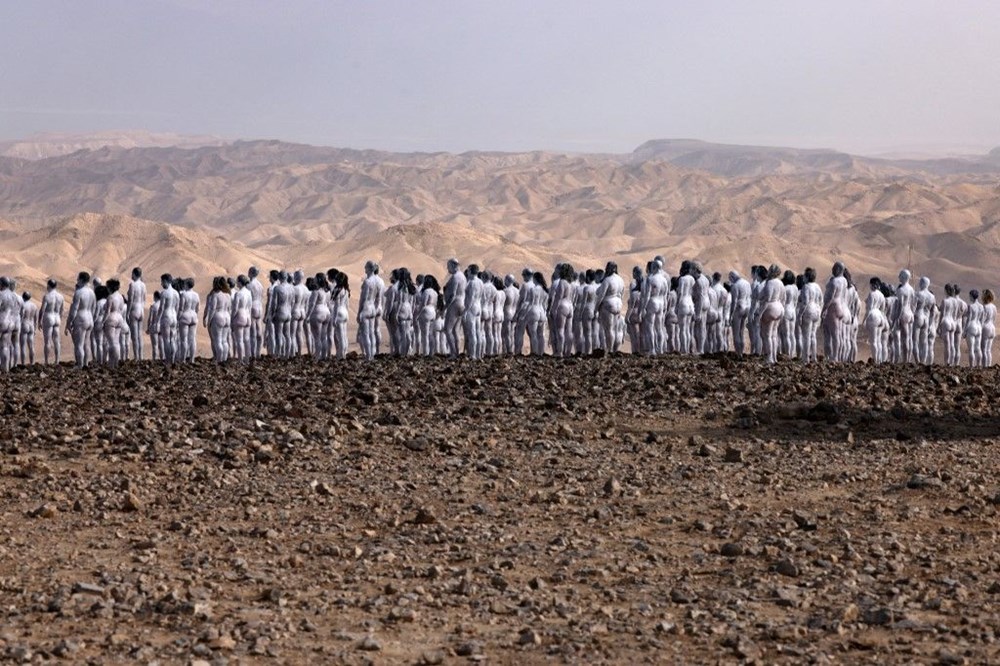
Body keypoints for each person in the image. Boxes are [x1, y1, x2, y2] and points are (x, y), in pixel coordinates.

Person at [65, 272, 97, 368]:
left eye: (78, 279)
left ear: (82, 280)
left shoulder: (79, 292)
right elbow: (94, 308)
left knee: (79, 344)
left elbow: (74, 310)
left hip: (81, 319)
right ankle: (86, 364)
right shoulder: (92, 293)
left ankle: (80, 364)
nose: (77, 281)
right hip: (90, 319)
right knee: (86, 343)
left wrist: (69, 322)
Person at [595, 261, 625, 353]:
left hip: (609, 304)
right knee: (615, 329)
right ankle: (613, 349)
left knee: (609, 329)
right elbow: (622, 294)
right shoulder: (621, 280)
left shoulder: (607, 280)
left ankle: (610, 349)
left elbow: (601, 296)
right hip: (618, 304)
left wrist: (596, 308)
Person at [641, 260, 669, 355]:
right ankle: (660, 349)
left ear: (654, 267)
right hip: (661, 303)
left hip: (653, 302)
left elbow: (647, 295)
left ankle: (652, 349)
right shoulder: (664, 280)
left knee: (650, 327)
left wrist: (644, 307)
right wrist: (665, 306)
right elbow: (665, 295)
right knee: (659, 327)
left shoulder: (651, 279)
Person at [758, 264, 785, 364]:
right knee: (774, 334)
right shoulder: (780, 283)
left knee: (767, 335)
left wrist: (760, 313)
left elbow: (767, 299)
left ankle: (769, 357)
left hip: (770, 308)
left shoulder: (769, 283)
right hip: (779, 308)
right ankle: (774, 356)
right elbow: (783, 298)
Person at [357, 261, 383, 360]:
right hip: (373, 308)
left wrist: (359, 312)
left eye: (366, 267)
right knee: (372, 333)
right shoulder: (378, 282)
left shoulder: (368, 282)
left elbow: (363, 299)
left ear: (369, 268)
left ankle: (368, 356)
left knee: (366, 334)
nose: (364, 269)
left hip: (367, 308)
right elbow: (378, 298)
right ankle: (372, 354)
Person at [204, 276, 233, 363]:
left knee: (218, 340)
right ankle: (224, 359)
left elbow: (212, 309)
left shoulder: (215, 295)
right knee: (224, 341)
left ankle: (219, 360)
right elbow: (229, 308)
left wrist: (209, 321)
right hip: (227, 317)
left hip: (218, 317)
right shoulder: (228, 295)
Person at [443, 258, 467, 359]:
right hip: (462, 303)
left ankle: (453, 352)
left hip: (455, 304)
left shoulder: (455, 277)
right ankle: (456, 351)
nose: (447, 269)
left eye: (448, 266)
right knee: (456, 330)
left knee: (447, 329)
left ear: (453, 266)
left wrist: (445, 306)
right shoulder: (463, 277)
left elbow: (452, 294)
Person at [798, 267, 823, 363]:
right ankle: (814, 356)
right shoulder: (817, 286)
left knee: (806, 336)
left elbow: (805, 303)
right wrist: (819, 309)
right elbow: (821, 299)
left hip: (808, 311)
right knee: (813, 335)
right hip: (816, 311)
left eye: (804, 275)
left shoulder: (806, 287)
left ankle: (805, 358)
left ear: (807, 277)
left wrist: (800, 315)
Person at [891, 269, 916, 364]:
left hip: (904, 314)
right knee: (909, 338)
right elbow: (914, 303)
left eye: (900, 275)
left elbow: (900, 305)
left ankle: (905, 360)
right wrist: (912, 313)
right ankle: (908, 359)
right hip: (910, 314)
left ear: (905, 277)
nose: (899, 277)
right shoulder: (912, 289)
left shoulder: (901, 290)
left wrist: (897, 317)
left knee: (904, 339)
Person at [864, 277, 890, 364]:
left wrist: (865, 320)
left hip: (873, 316)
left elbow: (869, 309)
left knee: (874, 341)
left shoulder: (872, 294)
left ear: (872, 284)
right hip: (881, 317)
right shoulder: (882, 295)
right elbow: (882, 309)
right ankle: (879, 360)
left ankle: (876, 360)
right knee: (879, 341)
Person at [39, 279, 64, 365]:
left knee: (47, 341)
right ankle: (57, 360)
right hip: (57, 318)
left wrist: (39, 321)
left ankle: (46, 361)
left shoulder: (47, 296)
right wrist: (60, 318)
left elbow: (42, 309)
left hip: (49, 317)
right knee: (57, 340)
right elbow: (62, 310)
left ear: (48, 285)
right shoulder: (61, 297)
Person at [463, 264, 485, 359]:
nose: (467, 272)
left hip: (472, 308)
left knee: (472, 332)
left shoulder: (472, 282)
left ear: (471, 271)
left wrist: (466, 310)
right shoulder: (480, 282)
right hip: (478, 307)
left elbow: (471, 298)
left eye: (468, 270)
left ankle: (473, 355)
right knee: (478, 332)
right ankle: (478, 354)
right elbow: (482, 297)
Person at [157, 273, 180, 364]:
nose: (161, 284)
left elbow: (161, 308)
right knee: (173, 339)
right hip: (174, 316)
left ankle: (168, 360)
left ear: (166, 281)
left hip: (166, 317)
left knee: (166, 340)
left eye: (162, 282)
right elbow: (177, 307)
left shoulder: (164, 293)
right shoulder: (176, 293)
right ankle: (173, 359)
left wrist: (157, 321)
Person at [913, 276, 936, 365]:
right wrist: (930, 324)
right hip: (927, 318)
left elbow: (913, 308)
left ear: (921, 283)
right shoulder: (932, 297)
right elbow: (933, 312)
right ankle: (923, 361)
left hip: (918, 317)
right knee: (924, 342)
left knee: (915, 341)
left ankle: (918, 361)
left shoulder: (918, 294)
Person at [728, 271, 751, 356]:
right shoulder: (747, 283)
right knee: (741, 333)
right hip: (747, 307)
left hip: (739, 308)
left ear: (732, 277)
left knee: (736, 333)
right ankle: (741, 352)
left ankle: (738, 353)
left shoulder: (735, 285)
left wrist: (730, 315)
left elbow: (734, 302)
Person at [674, 261, 695, 354]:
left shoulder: (682, 279)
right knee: (688, 329)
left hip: (683, 303)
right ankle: (688, 348)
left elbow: (681, 293)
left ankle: (684, 349)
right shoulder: (692, 279)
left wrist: (677, 305)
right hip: (690, 304)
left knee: (683, 329)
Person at [126, 267, 146, 361]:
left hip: (134, 310)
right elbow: (144, 298)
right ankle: (141, 356)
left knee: (134, 336)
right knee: (140, 335)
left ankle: (136, 357)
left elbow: (130, 299)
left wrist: (128, 312)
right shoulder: (143, 285)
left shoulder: (132, 285)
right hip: (141, 310)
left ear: (134, 274)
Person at [232, 275, 253, 362]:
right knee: (247, 339)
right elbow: (250, 306)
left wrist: (232, 319)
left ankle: (240, 359)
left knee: (239, 340)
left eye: (237, 281)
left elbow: (235, 308)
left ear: (240, 282)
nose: (236, 283)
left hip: (240, 316)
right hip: (247, 315)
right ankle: (247, 359)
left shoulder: (238, 294)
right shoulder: (249, 292)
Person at [178, 278, 200, 362]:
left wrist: (178, 318)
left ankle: (183, 359)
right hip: (194, 316)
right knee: (193, 338)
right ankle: (192, 358)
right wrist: (195, 315)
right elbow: (198, 308)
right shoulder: (196, 295)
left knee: (184, 339)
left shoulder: (184, 295)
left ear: (187, 284)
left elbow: (181, 308)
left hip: (185, 316)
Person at [779, 270, 798, 358]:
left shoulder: (784, 288)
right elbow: (795, 301)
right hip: (793, 311)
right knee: (792, 334)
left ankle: (787, 354)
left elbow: (782, 301)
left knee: (786, 334)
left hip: (786, 310)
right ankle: (792, 353)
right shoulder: (795, 288)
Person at [247, 266, 265, 358]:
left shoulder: (249, 285)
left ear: (250, 272)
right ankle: (258, 352)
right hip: (259, 307)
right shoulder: (260, 284)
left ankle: (253, 353)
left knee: (253, 332)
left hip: (253, 306)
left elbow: (247, 298)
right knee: (259, 331)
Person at [964, 289, 985, 368]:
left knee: (971, 349)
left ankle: (971, 366)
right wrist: (981, 328)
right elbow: (982, 319)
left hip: (972, 326)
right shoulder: (981, 306)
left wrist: (965, 331)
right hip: (979, 326)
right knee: (978, 348)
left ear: (972, 296)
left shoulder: (970, 306)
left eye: (970, 296)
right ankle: (979, 365)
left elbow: (969, 319)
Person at [501, 274, 519, 355]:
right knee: (512, 333)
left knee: (507, 334)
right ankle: (512, 349)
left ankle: (509, 351)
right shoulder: (518, 291)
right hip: (514, 313)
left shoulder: (506, 291)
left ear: (507, 280)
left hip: (507, 313)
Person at [19, 292, 38, 365]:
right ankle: (32, 363)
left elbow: (21, 316)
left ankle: (23, 364)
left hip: (24, 324)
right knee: (31, 345)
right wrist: (35, 328)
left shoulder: (23, 305)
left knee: (23, 346)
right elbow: (35, 319)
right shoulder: (34, 305)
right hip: (31, 325)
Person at [981, 289, 996, 367]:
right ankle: (989, 366)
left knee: (983, 350)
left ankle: (984, 367)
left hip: (986, 328)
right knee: (988, 350)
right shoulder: (994, 307)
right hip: (992, 328)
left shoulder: (984, 307)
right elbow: (994, 319)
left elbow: (982, 320)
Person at [147, 290, 162, 361]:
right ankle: (162, 359)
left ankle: (155, 360)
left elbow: (150, 318)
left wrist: (148, 328)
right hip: (161, 326)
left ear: (155, 297)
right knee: (161, 345)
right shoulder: (163, 306)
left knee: (155, 345)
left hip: (154, 326)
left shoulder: (153, 306)